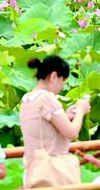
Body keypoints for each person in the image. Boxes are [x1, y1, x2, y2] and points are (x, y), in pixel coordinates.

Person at [20, 55, 91, 188]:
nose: (61, 88)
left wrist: (66, 115)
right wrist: (80, 111)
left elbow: (43, 125)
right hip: (53, 171)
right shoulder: (47, 98)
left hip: (33, 169)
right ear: (54, 76)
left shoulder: (27, 98)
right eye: (62, 82)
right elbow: (72, 133)